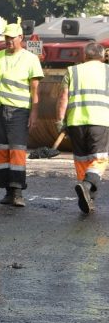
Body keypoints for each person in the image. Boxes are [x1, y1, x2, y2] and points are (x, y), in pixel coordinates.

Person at [0, 23, 43, 207]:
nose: (8, 41)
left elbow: (35, 89)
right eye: (6, 37)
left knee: (17, 150)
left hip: (18, 111)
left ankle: (17, 190)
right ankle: (7, 190)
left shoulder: (30, 59)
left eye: (12, 37)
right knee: (1, 149)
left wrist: (34, 114)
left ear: (21, 37)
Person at [55, 42, 109, 214]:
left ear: (85, 56)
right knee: (99, 159)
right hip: (100, 120)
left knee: (82, 159)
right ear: (102, 56)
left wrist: (60, 121)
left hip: (75, 122)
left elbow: (63, 98)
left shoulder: (73, 71)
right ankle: (86, 185)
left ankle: (87, 198)